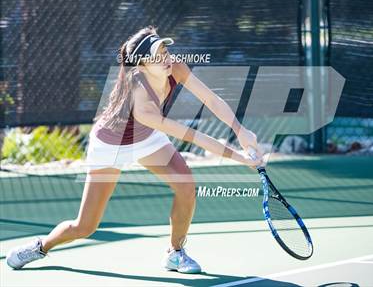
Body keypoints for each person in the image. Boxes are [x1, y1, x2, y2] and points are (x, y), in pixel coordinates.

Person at [6, 25, 263, 274]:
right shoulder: (141, 100)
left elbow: (211, 99)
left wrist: (240, 130)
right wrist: (240, 158)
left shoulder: (176, 67)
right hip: (110, 146)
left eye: (165, 51)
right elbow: (193, 137)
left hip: (146, 138)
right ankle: (41, 246)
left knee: (185, 185)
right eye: (157, 56)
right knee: (85, 226)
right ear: (141, 65)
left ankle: (175, 252)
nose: (166, 59)